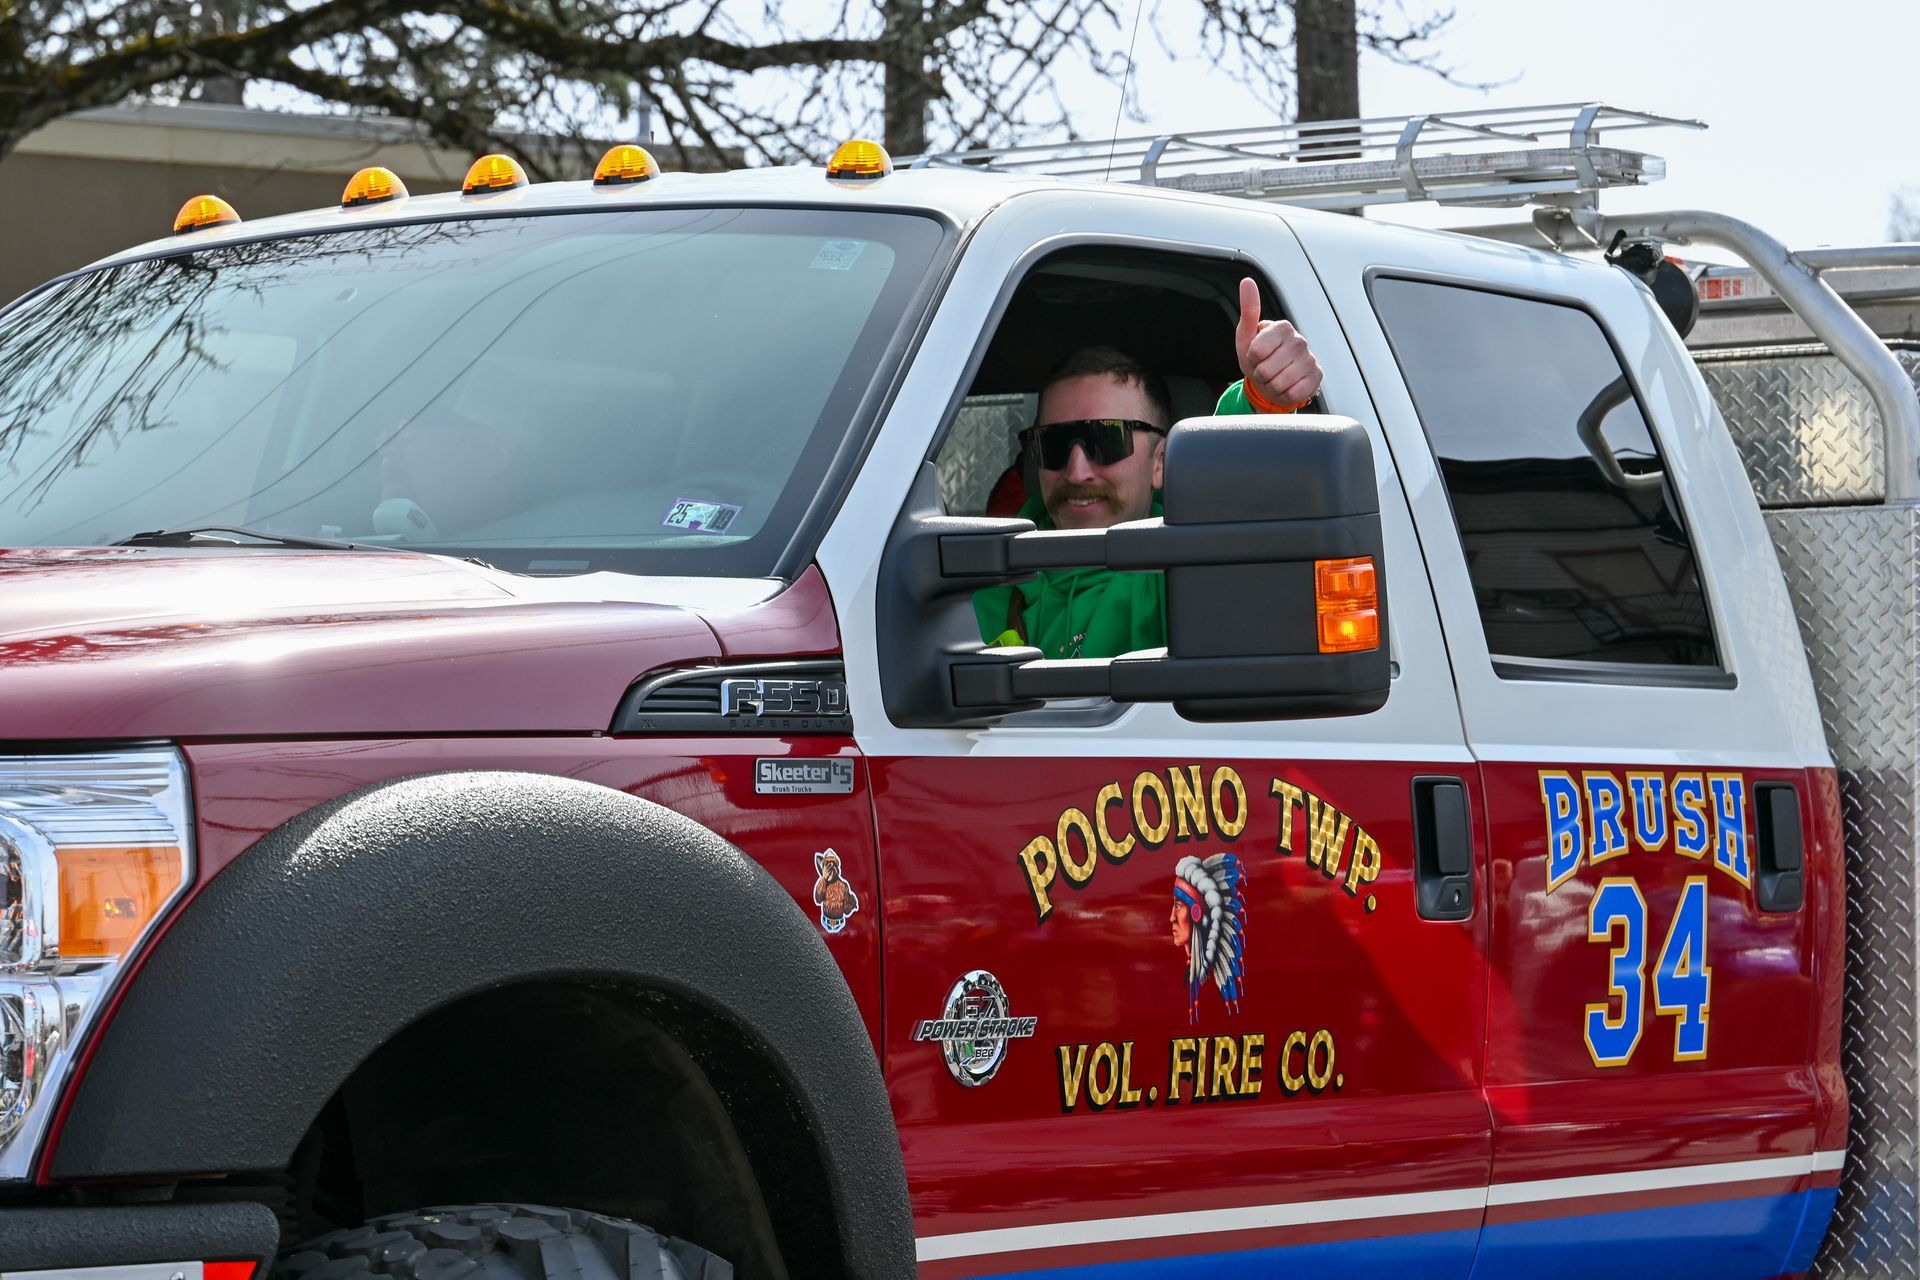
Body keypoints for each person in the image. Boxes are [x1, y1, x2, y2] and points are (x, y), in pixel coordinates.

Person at [972, 278, 1324, 657]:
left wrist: (1262, 399)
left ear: (1161, 464)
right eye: (1054, 444)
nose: (1077, 472)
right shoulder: (981, 578)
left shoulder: (1184, 570)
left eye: (1105, 440)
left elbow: (1220, 480)